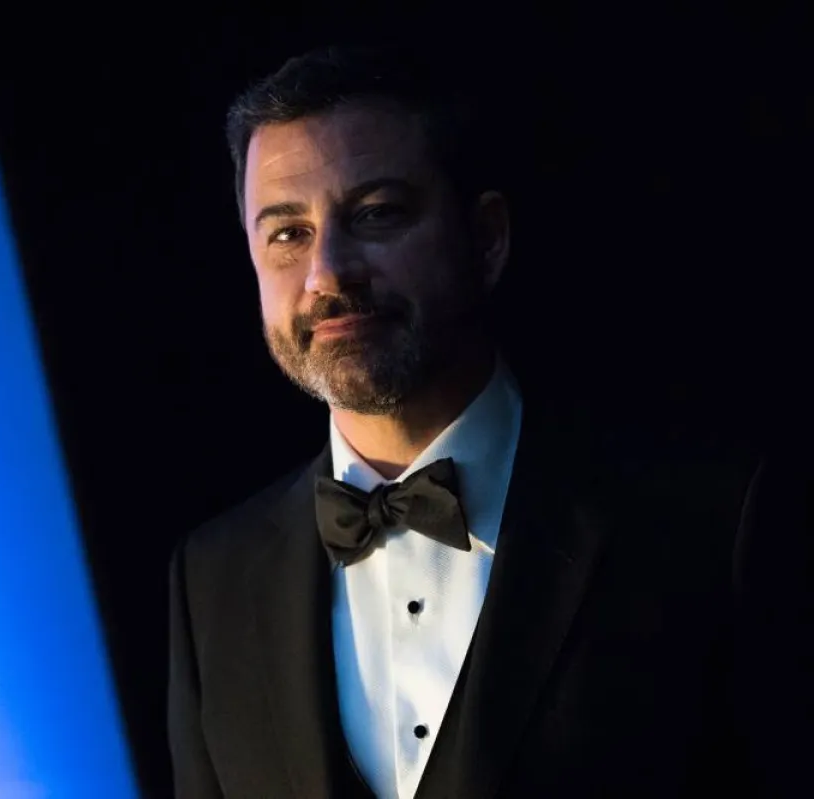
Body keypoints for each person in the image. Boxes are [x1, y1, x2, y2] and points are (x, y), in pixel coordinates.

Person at [166, 44, 810, 798]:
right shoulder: (209, 580)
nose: (328, 274)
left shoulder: (709, 518)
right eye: (287, 233)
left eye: (376, 214)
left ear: (487, 239)